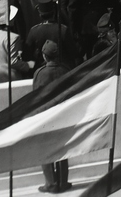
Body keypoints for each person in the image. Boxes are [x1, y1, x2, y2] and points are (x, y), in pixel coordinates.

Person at [32, 42, 69, 192]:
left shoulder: (39, 73)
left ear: (44, 56)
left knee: (45, 151)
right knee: (63, 149)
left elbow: (35, 98)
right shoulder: (66, 70)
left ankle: (50, 183)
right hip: (63, 115)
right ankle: (63, 181)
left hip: (46, 117)